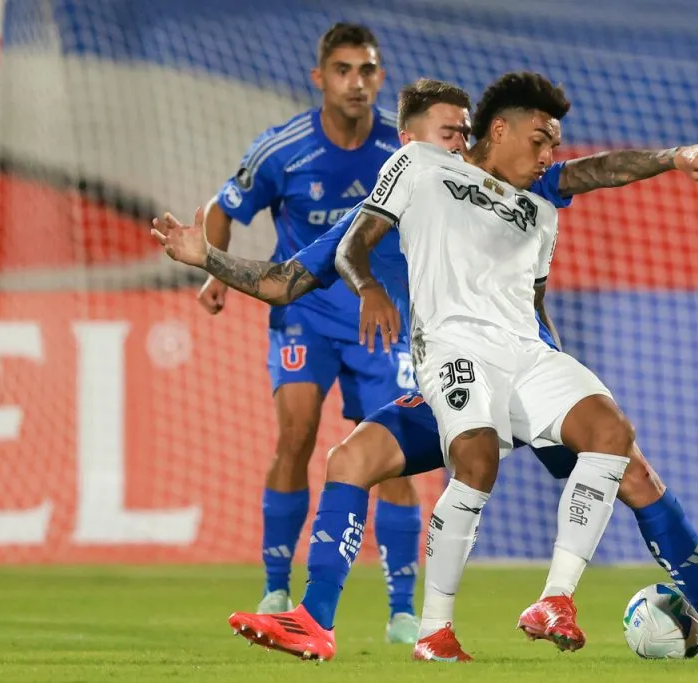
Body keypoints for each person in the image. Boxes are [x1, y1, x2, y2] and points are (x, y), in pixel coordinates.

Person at [155, 77, 698, 663]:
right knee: (361, 459)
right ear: (434, 138)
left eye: (465, 129)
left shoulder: (535, 198)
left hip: (526, 365)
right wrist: (207, 257)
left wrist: (675, 158)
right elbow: (286, 280)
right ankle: (330, 621)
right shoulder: (410, 179)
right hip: (455, 366)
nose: (462, 141)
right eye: (452, 131)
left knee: (628, 462)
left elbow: (592, 178)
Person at [196, 22, 425, 642]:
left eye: (367, 70)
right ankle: (276, 585)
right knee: (295, 436)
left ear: (381, 77)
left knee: (394, 457)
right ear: (320, 78)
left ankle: (402, 611)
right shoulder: (284, 149)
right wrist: (216, 271)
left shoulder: (405, 151)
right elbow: (221, 208)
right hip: (305, 313)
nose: (356, 82)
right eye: (343, 70)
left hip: (381, 318)